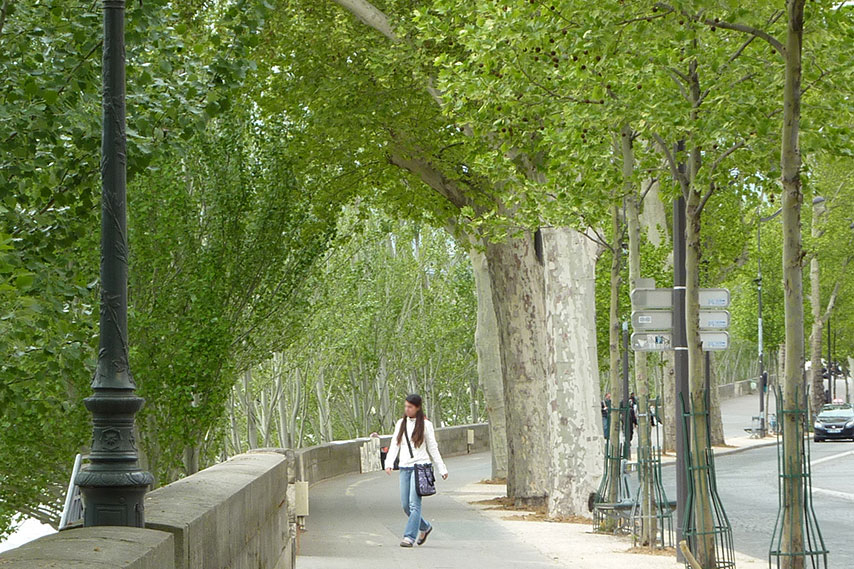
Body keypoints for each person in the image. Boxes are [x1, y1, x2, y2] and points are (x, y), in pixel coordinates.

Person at [385, 394, 449, 548]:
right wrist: (389, 463)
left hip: (420, 467)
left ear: (418, 408)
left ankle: (409, 537)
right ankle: (425, 527)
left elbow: (433, 447)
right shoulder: (401, 423)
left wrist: (442, 468)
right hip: (404, 467)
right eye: (405, 406)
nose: (407, 409)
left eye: (410, 407)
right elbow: (395, 444)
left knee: (414, 505)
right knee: (405, 505)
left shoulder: (426, 425)